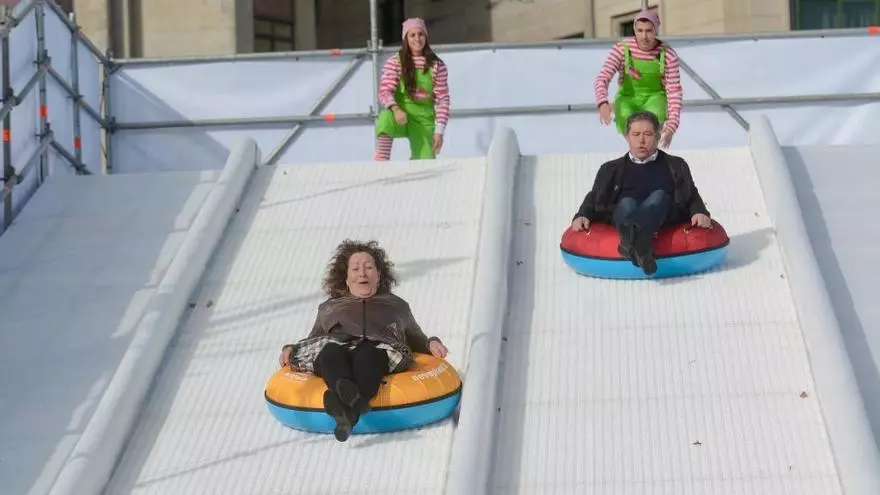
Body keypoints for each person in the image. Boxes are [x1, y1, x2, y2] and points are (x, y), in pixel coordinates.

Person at [278, 240, 449, 442]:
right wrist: (290, 348)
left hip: (378, 350)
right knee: (331, 351)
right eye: (355, 269)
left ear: (379, 275)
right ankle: (349, 400)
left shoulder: (396, 306)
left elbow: (416, 337)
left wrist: (432, 342)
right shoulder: (329, 308)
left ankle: (342, 404)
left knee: (367, 352)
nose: (362, 274)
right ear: (346, 278)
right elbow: (313, 339)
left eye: (369, 268)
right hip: (337, 349)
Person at [570, 111, 712, 275]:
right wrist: (582, 214)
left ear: (658, 135)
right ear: (627, 137)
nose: (641, 141)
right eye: (636, 134)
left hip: (662, 216)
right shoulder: (610, 169)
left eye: (648, 134)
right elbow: (594, 196)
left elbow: (690, 193)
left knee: (658, 196)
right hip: (623, 213)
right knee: (627, 202)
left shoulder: (676, 165)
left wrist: (699, 211)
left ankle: (632, 239)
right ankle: (640, 242)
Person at [594, 9, 682, 149]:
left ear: (655, 30)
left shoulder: (667, 54)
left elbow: (674, 92)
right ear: (634, 30)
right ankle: (634, 154)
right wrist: (602, 102)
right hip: (627, 97)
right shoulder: (622, 49)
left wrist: (672, 126)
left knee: (653, 121)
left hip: (654, 97)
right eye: (640, 31)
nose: (644, 36)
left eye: (648, 31)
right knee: (626, 116)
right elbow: (602, 77)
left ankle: (652, 153)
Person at [374, 17, 450, 161]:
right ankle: (382, 162)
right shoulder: (395, 62)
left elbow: (443, 100)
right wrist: (396, 109)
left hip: (424, 121)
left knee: (425, 164)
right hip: (401, 116)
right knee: (385, 118)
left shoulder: (437, 65)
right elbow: (385, 92)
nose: (417, 39)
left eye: (421, 34)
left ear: (426, 37)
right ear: (406, 38)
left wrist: (439, 130)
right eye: (412, 35)